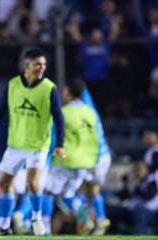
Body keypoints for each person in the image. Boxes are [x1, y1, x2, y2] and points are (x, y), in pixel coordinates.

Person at [0, 48, 65, 236]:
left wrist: (60, 144)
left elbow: (59, 117)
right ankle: (4, 225)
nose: (42, 68)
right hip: (15, 144)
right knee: (5, 183)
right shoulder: (13, 85)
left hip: (38, 145)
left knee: (33, 183)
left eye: (44, 64)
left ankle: (36, 219)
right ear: (27, 64)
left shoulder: (49, 88)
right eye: (38, 64)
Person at [43, 79, 99, 235]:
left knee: (48, 191)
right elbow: (95, 139)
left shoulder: (64, 112)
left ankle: (45, 231)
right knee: (68, 193)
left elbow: (53, 138)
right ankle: (80, 209)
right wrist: (94, 162)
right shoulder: (90, 112)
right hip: (85, 163)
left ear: (68, 92)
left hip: (65, 160)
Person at [80, 87, 112, 235]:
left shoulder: (85, 117)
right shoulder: (93, 113)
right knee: (90, 190)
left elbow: (92, 140)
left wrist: (92, 161)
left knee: (87, 189)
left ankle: (95, 220)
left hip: (95, 158)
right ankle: (95, 221)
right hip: (101, 156)